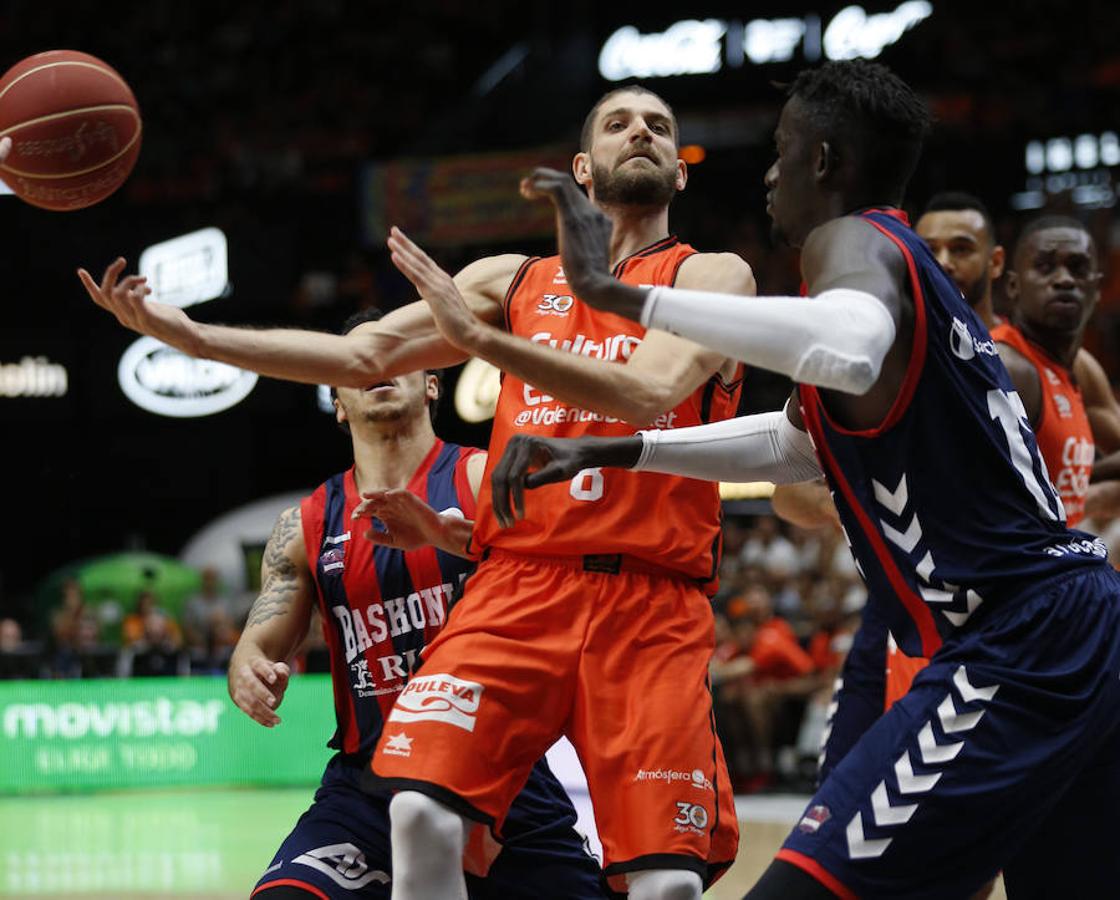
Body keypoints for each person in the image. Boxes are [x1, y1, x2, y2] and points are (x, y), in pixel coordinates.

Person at [81, 85, 751, 900]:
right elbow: (362, 354)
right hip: (520, 588)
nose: (641, 132)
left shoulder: (715, 275)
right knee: (421, 816)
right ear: (582, 169)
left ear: (681, 174)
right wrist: (193, 338)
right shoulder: (511, 282)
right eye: (619, 123)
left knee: (666, 889)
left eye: (660, 127)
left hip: (650, 599)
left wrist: (480, 342)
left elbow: (647, 391)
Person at [490, 59, 1120, 897]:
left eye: (783, 151)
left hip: (1018, 641)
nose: (770, 172)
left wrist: (619, 295)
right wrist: (625, 451)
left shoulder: (855, 242)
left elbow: (845, 343)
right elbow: (792, 444)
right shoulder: (900, 273)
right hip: (1071, 629)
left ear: (822, 162)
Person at [232, 310, 605, 900]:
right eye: (359, 360)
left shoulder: (485, 478)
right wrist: (248, 670)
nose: (378, 366)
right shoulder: (303, 526)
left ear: (432, 382)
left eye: (397, 353)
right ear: (337, 401)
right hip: (368, 787)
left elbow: (570, 598)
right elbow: (259, 641)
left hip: (502, 777)